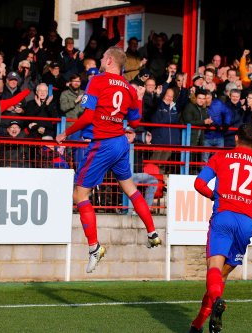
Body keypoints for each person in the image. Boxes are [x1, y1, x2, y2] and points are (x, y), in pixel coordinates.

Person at [55, 46, 161, 274]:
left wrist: (66, 132)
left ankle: (94, 247)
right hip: (120, 142)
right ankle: (152, 232)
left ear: (110, 60)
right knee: (131, 188)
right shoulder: (129, 89)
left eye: (103, 57)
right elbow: (135, 121)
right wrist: (140, 98)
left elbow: (89, 116)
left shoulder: (98, 80)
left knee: (80, 194)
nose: (101, 60)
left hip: (102, 142)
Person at [188, 123, 252, 333]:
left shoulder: (220, 158)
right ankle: (198, 324)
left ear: (236, 139)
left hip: (224, 217)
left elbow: (199, 183)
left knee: (214, 271)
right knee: (221, 277)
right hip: (245, 223)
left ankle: (216, 302)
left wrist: (215, 196)